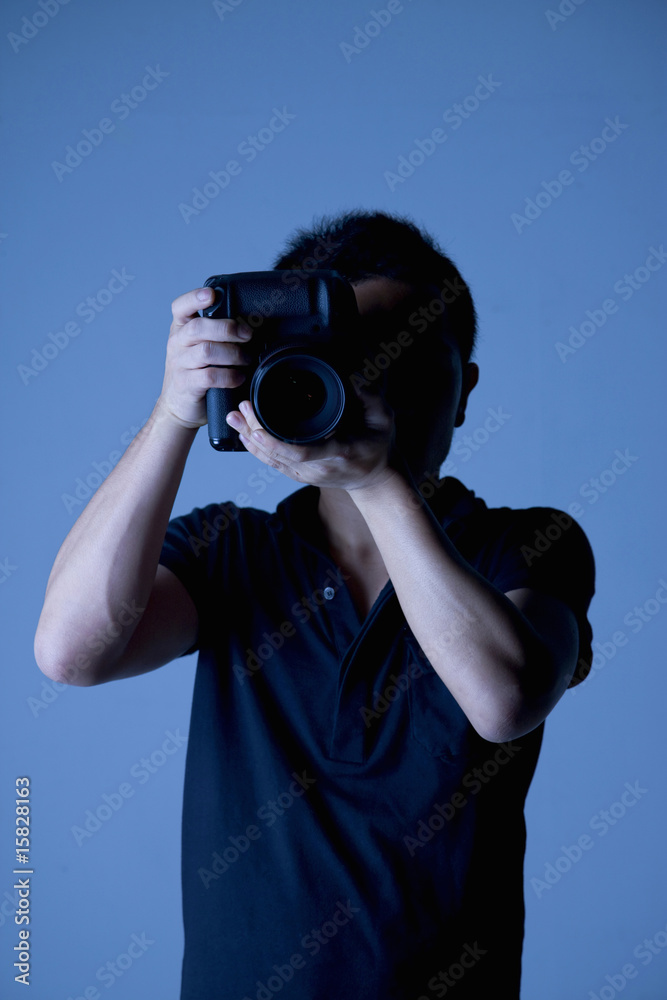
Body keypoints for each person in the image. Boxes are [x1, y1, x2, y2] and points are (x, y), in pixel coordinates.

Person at [35, 209, 595, 999]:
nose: (381, 389)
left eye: (412, 359)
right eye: (355, 358)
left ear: (465, 390)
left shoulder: (527, 543)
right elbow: (70, 653)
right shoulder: (228, 550)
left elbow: (503, 702)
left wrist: (376, 483)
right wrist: (173, 412)